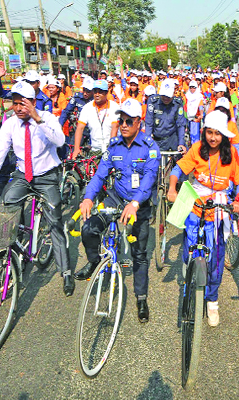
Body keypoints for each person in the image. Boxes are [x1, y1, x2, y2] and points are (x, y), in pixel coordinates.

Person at [0, 81, 73, 297]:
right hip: (23, 175)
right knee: (7, 204)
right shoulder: (10, 124)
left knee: (55, 221)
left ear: (32, 102)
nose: (19, 108)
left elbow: (59, 141)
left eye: (23, 104)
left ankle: (65, 270)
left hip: (47, 176)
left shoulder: (46, 118)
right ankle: (11, 255)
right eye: (15, 103)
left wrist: (38, 119)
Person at [75, 98, 159, 323]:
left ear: (139, 123)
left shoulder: (150, 148)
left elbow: (150, 178)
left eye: (128, 121)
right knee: (89, 229)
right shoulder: (113, 146)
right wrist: (87, 198)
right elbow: (100, 174)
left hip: (138, 205)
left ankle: (141, 298)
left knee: (139, 254)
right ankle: (94, 261)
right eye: (120, 120)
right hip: (115, 199)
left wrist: (135, 203)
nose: (123, 124)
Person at [167, 111, 239, 326]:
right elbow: (178, 169)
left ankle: (212, 300)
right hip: (195, 203)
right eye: (209, 133)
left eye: (217, 134)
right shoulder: (197, 150)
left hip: (219, 208)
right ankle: (189, 284)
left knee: (216, 258)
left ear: (224, 137)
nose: (213, 138)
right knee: (188, 252)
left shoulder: (232, 155)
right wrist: (172, 188)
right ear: (204, 133)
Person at [71, 79, 120, 159]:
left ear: (106, 93)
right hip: (95, 149)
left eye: (100, 92)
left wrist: (111, 150)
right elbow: (80, 128)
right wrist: (76, 149)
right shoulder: (87, 107)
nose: (97, 94)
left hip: (113, 147)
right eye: (95, 91)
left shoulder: (114, 107)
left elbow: (115, 128)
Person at [145, 80, 188, 153]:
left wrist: (181, 143)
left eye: (168, 96)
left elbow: (180, 125)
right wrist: (148, 143)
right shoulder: (153, 101)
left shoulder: (177, 103)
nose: (166, 98)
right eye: (164, 96)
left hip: (172, 139)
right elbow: (149, 124)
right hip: (157, 139)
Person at [185, 80, 205, 144]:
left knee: (195, 136)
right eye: (191, 87)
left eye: (194, 87)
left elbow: (200, 106)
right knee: (188, 136)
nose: (192, 89)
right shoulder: (186, 96)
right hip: (187, 118)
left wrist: (201, 114)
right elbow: (184, 106)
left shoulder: (199, 96)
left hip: (195, 119)